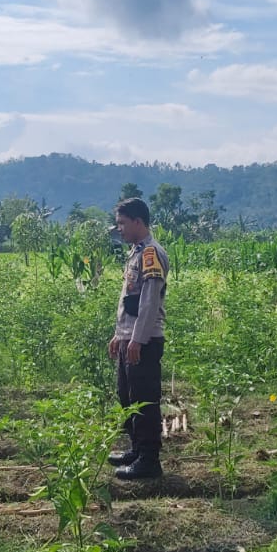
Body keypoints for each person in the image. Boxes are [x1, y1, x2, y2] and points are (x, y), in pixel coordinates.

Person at [106, 197, 169, 480]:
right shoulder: (136, 252)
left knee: (144, 400)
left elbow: (149, 302)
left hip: (144, 340)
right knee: (127, 396)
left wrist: (137, 340)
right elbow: (129, 300)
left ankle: (149, 460)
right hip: (129, 338)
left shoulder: (151, 254)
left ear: (137, 221)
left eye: (122, 223)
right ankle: (136, 449)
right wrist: (119, 334)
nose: (119, 228)